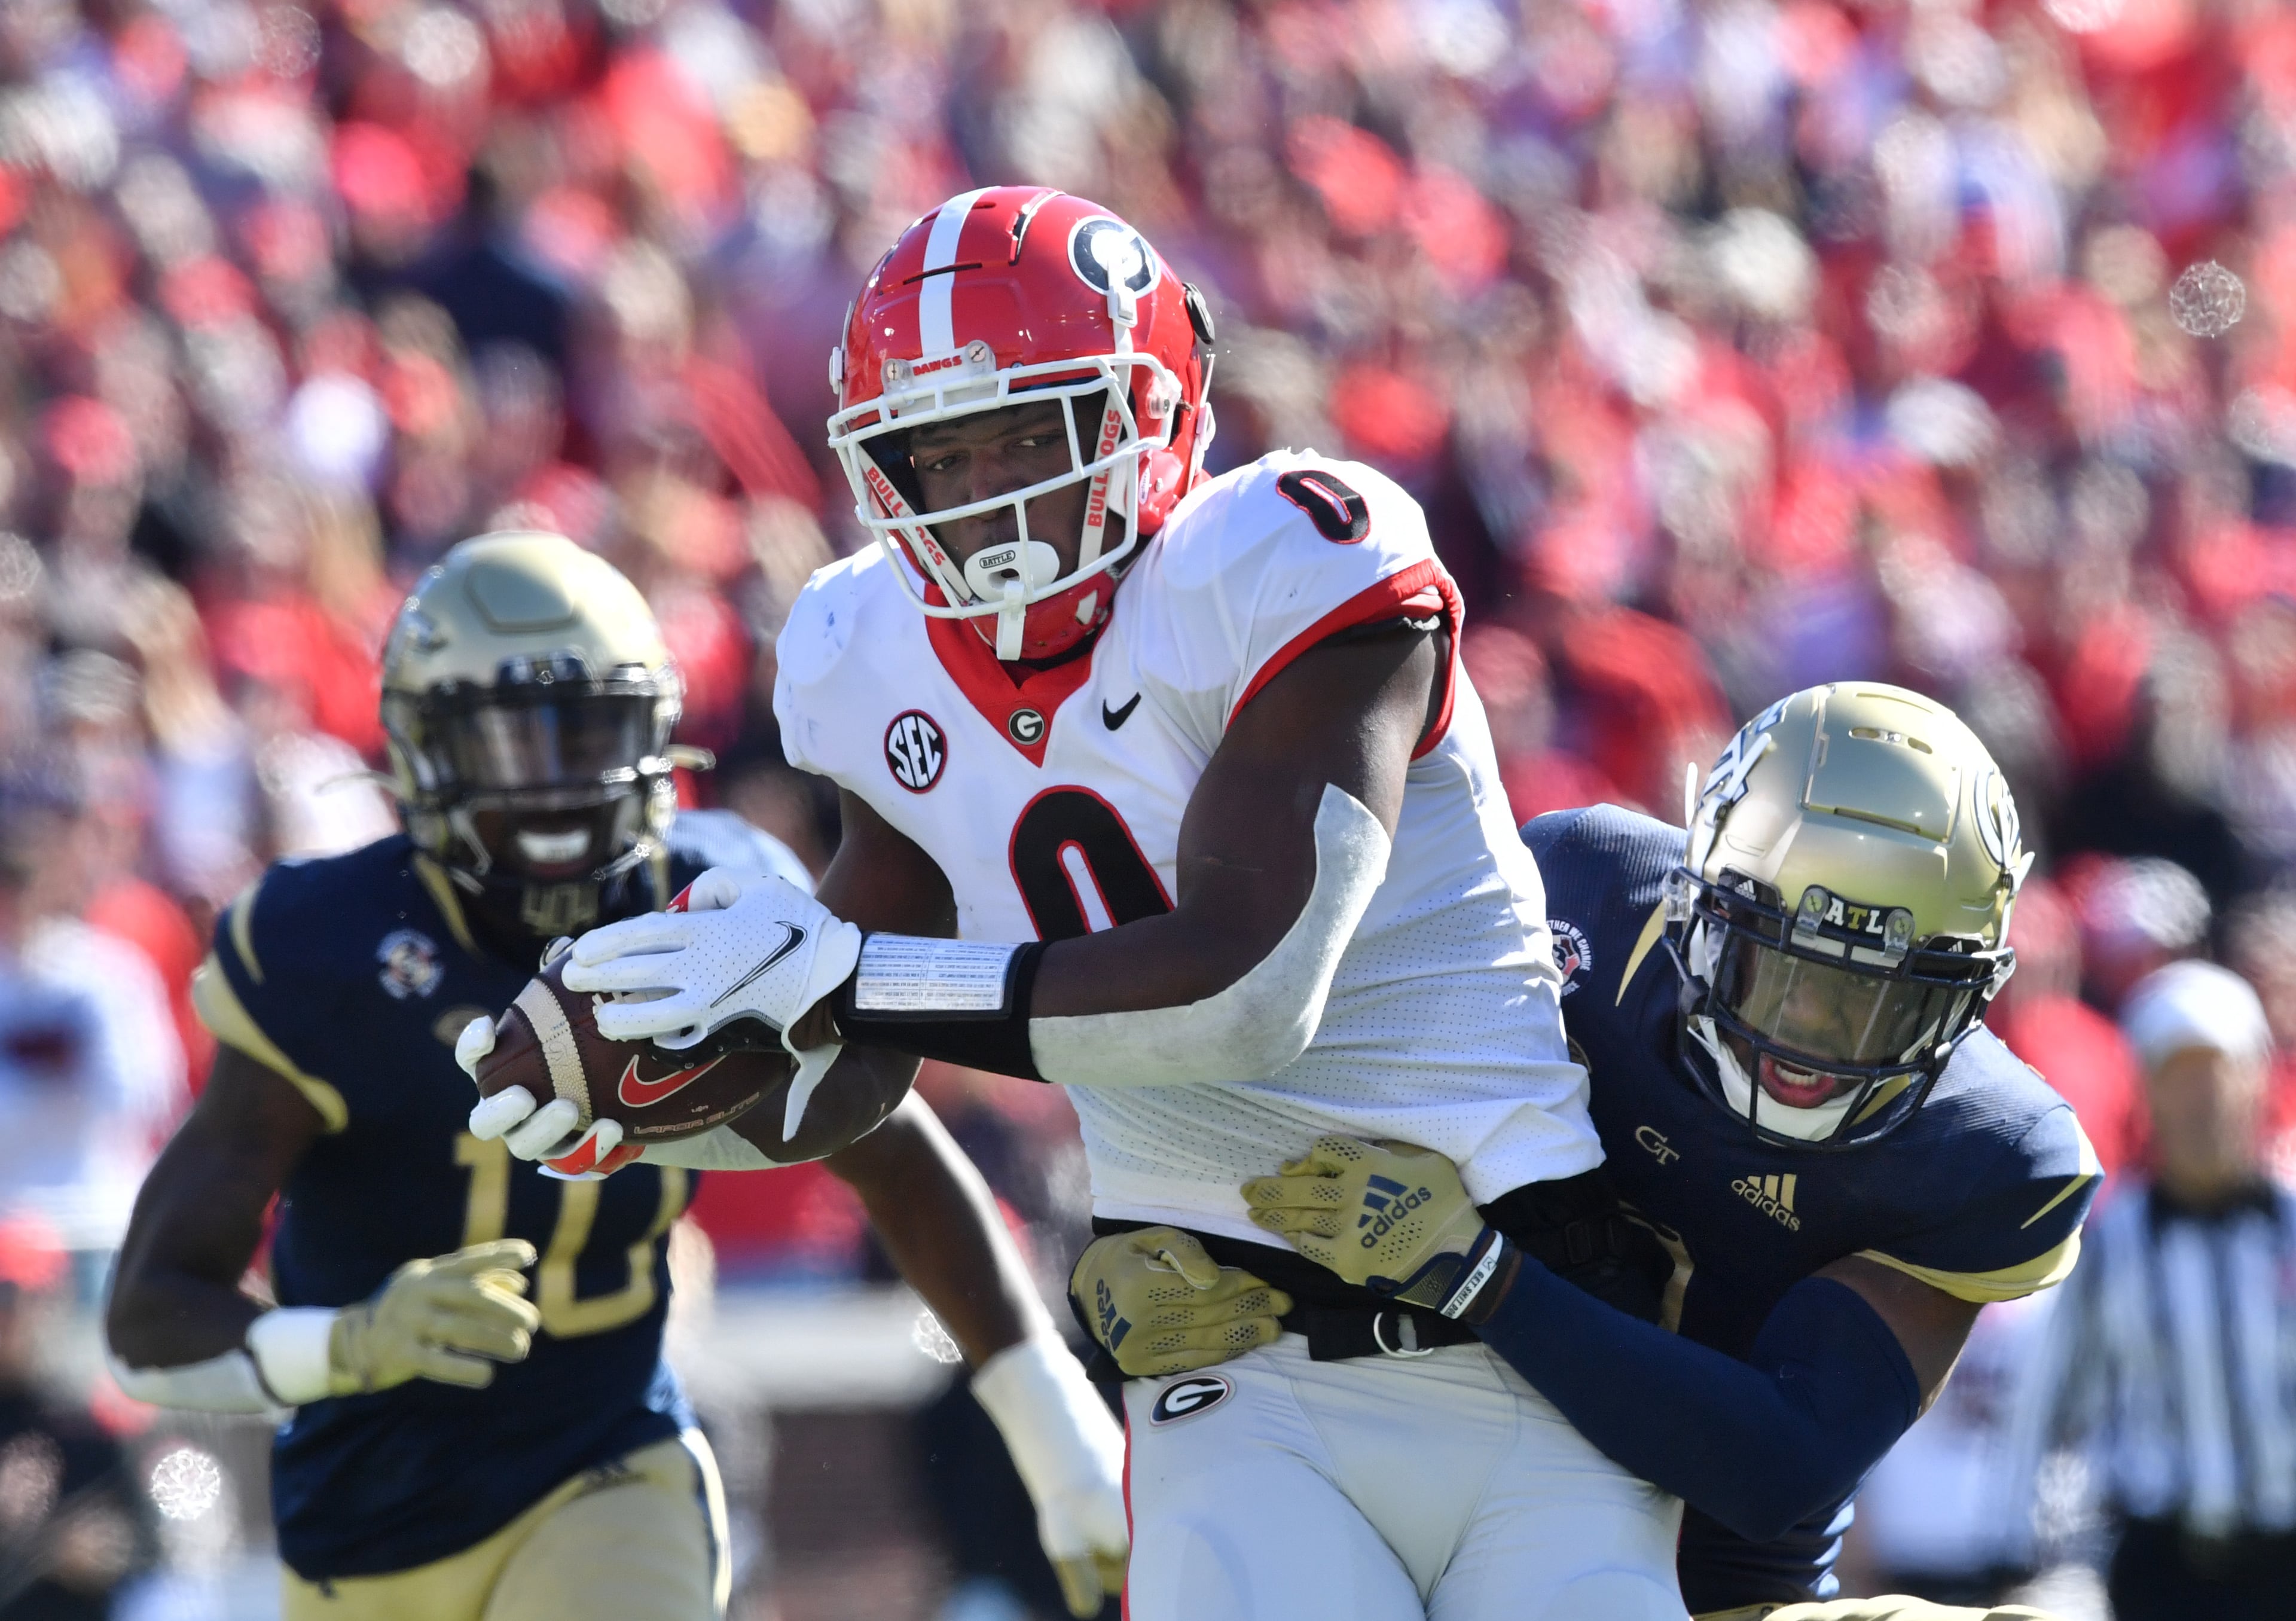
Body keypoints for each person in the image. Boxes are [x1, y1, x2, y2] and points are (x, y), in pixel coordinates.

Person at [518, 187, 1685, 1621]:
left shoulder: (1286, 552)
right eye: (939, 456)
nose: (992, 491)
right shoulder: (857, 648)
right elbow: (855, 1062)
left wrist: (828, 979)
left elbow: (1249, 994)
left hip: (1528, 1316)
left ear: (1156, 406)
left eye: (1033, 431)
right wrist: (652, 1094)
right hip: (1226, 1353)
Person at [103, 533, 1126, 1621]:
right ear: (421, 750)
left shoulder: (710, 901)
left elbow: (888, 1145)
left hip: (609, 1455)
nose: (554, 782)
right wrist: (346, 1345)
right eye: (509, 741)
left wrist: (1051, 1424)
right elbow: (151, 1321)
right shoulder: (326, 941)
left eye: (587, 730)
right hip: (366, 1509)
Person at [1077, 683, 2100, 1621]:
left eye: (1886, 999)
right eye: (1776, 968)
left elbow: (1774, 1469)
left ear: (1972, 994)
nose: (1813, 1041)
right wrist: (1151, 1240)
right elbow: (1322, 1094)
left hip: (1718, 1598)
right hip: (1421, 1473)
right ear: (1703, 904)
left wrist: (1481, 1275)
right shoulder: (1586, 890)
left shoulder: (1993, 1154)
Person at [2005, 960, 2296, 1620]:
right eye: (2179, 1073)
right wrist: (2023, 1552)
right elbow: (2047, 1408)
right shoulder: (2108, 1241)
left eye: (2219, 1069)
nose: (2204, 1096)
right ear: (2145, 1089)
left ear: (2258, 1075)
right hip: (2164, 1567)